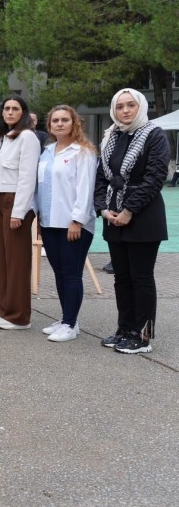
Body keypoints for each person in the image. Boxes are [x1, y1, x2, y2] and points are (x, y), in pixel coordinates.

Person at [94, 88, 169, 354]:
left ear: (140, 107)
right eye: (119, 106)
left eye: (130, 105)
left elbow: (154, 178)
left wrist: (128, 210)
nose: (125, 111)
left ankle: (143, 336)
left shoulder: (154, 135)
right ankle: (125, 329)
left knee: (141, 278)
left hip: (143, 218)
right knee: (122, 278)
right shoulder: (110, 138)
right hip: (113, 218)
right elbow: (101, 177)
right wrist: (104, 210)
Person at [36, 105, 97, 343]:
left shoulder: (83, 152)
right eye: (55, 121)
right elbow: (41, 187)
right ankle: (66, 319)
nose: (59, 124)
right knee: (60, 273)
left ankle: (70, 324)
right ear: (49, 126)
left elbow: (85, 189)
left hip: (73, 224)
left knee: (72, 274)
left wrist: (77, 220)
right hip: (50, 222)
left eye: (64, 120)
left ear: (74, 123)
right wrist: (41, 219)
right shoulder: (47, 152)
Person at [0, 95, 40, 331]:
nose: (9, 112)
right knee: (3, 259)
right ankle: (5, 309)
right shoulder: (3, 138)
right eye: (6, 108)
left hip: (14, 202)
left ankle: (20, 316)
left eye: (15, 109)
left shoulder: (28, 137)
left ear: (23, 113)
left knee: (17, 261)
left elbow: (28, 178)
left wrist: (19, 212)